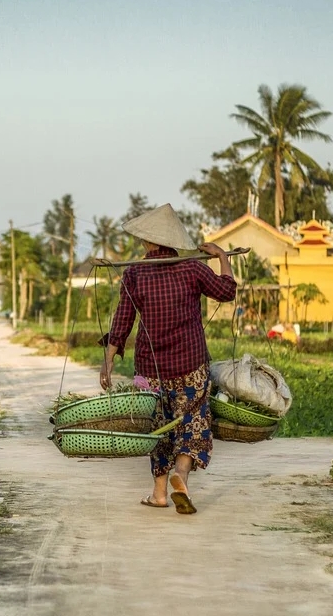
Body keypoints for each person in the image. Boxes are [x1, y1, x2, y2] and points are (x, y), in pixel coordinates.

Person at [99, 204, 236, 515]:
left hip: (149, 369)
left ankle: (160, 493)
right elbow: (226, 291)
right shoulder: (192, 267)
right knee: (193, 422)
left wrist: (108, 359)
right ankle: (181, 475)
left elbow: (123, 320)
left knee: (158, 427)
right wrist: (223, 257)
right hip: (190, 364)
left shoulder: (135, 273)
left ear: (148, 242)